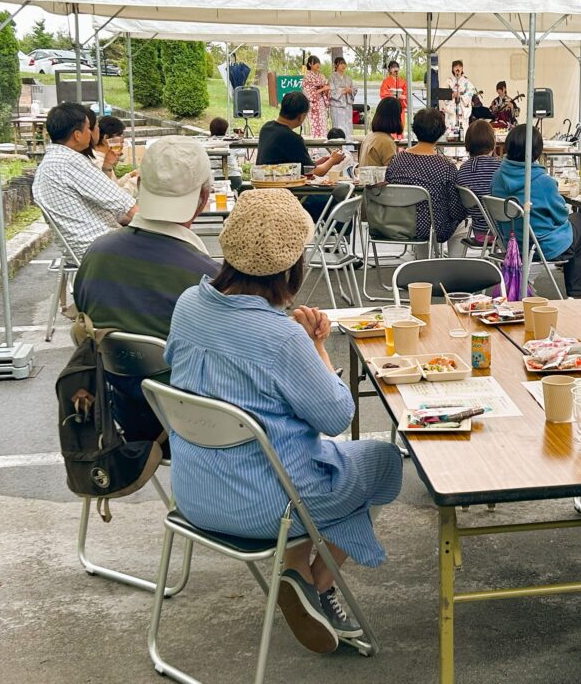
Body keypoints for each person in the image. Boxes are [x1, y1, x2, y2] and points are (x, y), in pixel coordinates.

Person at [165, 189, 403, 653]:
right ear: (294, 263)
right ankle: (315, 580)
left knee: (292, 455)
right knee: (381, 460)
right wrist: (315, 348)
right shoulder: (280, 337)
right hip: (268, 506)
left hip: (196, 492)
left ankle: (298, 570)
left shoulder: (188, 307)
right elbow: (336, 416)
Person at [74, 136, 219, 449]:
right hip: (202, 430)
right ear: (204, 198)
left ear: (139, 188)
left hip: (121, 424)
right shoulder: (208, 278)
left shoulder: (95, 255)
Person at [491, 125, 581, 298]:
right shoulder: (540, 180)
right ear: (537, 151)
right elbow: (561, 217)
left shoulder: (498, 176)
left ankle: (576, 285)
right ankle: (576, 293)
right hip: (541, 245)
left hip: (512, 242)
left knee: (575, 239)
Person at [32, 102, 138, 259]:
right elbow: (124, 205)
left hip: (85, 246)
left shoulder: (53, 161)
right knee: (166, 245)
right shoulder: (69, 162)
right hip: (101, 249)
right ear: (77, 135)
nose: (92, 133)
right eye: (89, 128)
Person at [384, 108, 468, 258]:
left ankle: (422, 261)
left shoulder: (397, 160)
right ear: (441, 132)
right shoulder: (445, 167)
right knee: (462, 222)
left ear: (415, 129)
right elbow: (455, 209)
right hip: (433, 228)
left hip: (398, 224)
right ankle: (456, 266)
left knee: (424, 215)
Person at [256, 91, 344, 177]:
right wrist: (332, 160)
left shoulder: (266, 128)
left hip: (262, 184)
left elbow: (298, 166)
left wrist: (317, 163)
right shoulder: (292, 138)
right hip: (280, 189)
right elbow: (315, 172)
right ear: (301, 116)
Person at [457, 119, 500, 242]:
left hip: (479, 233)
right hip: (505, 232)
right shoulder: (501, 168)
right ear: (492, 141)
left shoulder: (463, 170)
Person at [358, 97, 402, 168]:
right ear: (395, 118)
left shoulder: (370, 136)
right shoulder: (386, 142)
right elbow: (392, 172)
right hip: (378, 178)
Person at [443, 59, 477, 139]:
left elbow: (471, 91)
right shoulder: (449, 81)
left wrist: (461, 96)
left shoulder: (466, 81)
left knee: (462, 132)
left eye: (459, 66)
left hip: (462, 109)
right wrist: (452, 95)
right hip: (451, 110)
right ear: (452, 69)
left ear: (462, 69)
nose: (457, 68)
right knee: (450, 132)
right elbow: (444, 94)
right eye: (455, 67)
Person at [301, 55, 332, 139]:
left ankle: (323, 145)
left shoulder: (321, 76)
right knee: (314, 124)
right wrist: (322, 89)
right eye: (315, 63)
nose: (318, 65)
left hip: (321, 102)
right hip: (313, 103)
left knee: (323, 123)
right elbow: (308, 92)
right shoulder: (307, 77)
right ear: (310, 64)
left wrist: (326, 89)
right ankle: (314, 148)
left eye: (319, 63)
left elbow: (326, 88)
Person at [329, 56, 356, 138]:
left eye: (344, 63)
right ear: (336, 65)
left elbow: (354, 89)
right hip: (337, 106)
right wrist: (342, 91)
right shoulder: (332, 77)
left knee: (347, 125)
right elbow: (331, 91)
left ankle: (349, 146)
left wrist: (350, 90)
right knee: (338, 125)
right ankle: (338, 146)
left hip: (347, 105)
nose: (343, 65)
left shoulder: (348, 78)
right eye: (341, 63)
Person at [378, 60, 408, 135]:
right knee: (390, 125)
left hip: (400, 106)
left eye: (397, 67)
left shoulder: (403, 81)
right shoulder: (386, 81)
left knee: (400, 124)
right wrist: (393, 96)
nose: (395, 69)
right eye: (393, 67)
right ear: (389, 70)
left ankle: (400, 143)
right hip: (390, 106)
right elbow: (384, 93)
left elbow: (406, 94)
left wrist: (402, 96)